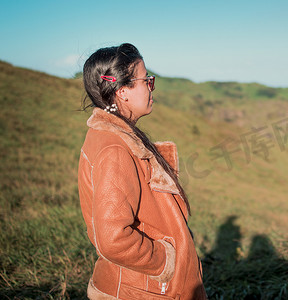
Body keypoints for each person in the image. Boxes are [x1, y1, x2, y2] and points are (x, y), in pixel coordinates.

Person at [78, 43, 206, 300]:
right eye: (146, 79)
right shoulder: (115, 149)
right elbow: (113, 238)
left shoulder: (114, 137)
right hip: (143, 290)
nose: (151, 86)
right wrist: (167, 262)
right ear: (123, 91)